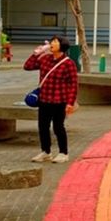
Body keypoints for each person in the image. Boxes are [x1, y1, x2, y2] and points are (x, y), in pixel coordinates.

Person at [24, 35, 78, 163]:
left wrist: (70, 103)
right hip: (44, 99)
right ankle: (46, 152)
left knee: (58, 127)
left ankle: (63, 153)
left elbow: (73, 85)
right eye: (52, 41)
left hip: (60, 101)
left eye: (55, 41)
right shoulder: (46, 59)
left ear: (62, 46)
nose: (52, 43)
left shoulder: (68, 63)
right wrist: (36, 53)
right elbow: (27, 66)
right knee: (43, 126)